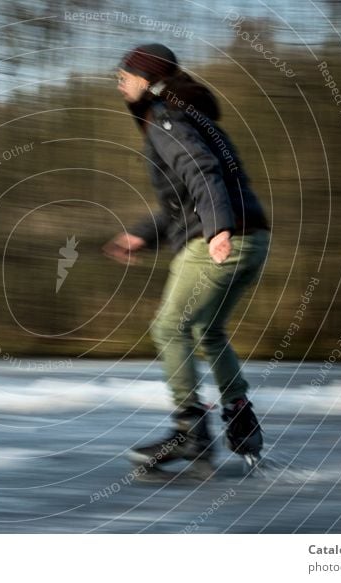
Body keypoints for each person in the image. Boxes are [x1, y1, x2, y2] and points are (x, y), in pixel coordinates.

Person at [103, 44, 271, 470]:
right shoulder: (190, 118)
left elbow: (201, 173)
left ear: (148, 79)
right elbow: (182, 201)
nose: (119, 81)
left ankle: (190, 431)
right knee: (207, 330)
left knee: (169, 327)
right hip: (253, 238)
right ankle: (239, 416)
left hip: (222, 239)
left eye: (125, 74)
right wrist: (142, 235)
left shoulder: (165, 117)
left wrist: (217, 229)